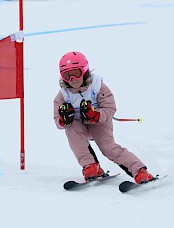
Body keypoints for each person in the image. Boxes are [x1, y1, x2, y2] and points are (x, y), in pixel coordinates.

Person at [53, 51, 155, 183]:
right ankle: (90, 166)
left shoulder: (97, 86)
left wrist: (95, 115)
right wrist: (63, 120)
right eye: (67, 75)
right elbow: (57, 121)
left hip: (99, 124)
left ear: (85, 71)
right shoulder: (63, 95)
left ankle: (139, 170)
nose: (72, 79)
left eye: (76, 73)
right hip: (79, 127)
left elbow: (110, 108)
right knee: (71, 128)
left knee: (108, 148)